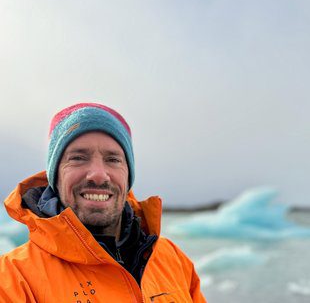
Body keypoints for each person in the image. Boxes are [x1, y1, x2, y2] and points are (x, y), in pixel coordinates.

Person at [0, 102, 206, 302]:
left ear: (128, 175)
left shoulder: (173, 260)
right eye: (78, 157)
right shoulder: (13, 279)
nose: (98, 175)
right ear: (55, 176)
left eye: (113, 159)